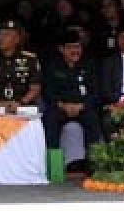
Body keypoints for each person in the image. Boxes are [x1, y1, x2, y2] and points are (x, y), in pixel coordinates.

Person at [42, 29, 102, 159]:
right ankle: (54, 165)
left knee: (93, 120)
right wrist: (63, 105)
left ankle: (94, 164)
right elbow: (48, 91)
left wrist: (82, 106)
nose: (75, 51)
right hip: (60, 108)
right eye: (70, 47)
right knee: (50, 120)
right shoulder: (52, 65)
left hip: (83, 107)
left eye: (78, 47)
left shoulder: (89, 64)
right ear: (61, 49)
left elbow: (95, 92)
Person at [0, 18, 42, 112]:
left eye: (6, 35)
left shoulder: (30, 59)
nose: (1, 38)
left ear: (17, 39)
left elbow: (35, 88)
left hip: (23, 105)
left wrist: (20, 103)